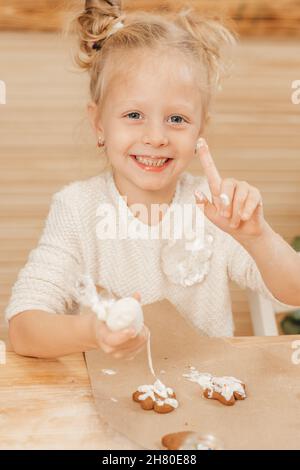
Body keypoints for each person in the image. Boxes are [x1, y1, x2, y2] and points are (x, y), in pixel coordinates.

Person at [5, 0, 300, 359]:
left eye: (177, 119)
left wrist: (258, 238)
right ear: (99, 124)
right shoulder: (77, 209)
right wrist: (93, 331)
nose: (156, 136)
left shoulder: (214, 207)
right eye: (134, 114)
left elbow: (294, 293)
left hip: (205, 397)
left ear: (200, 129)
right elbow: (22, 330)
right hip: (105, 402)